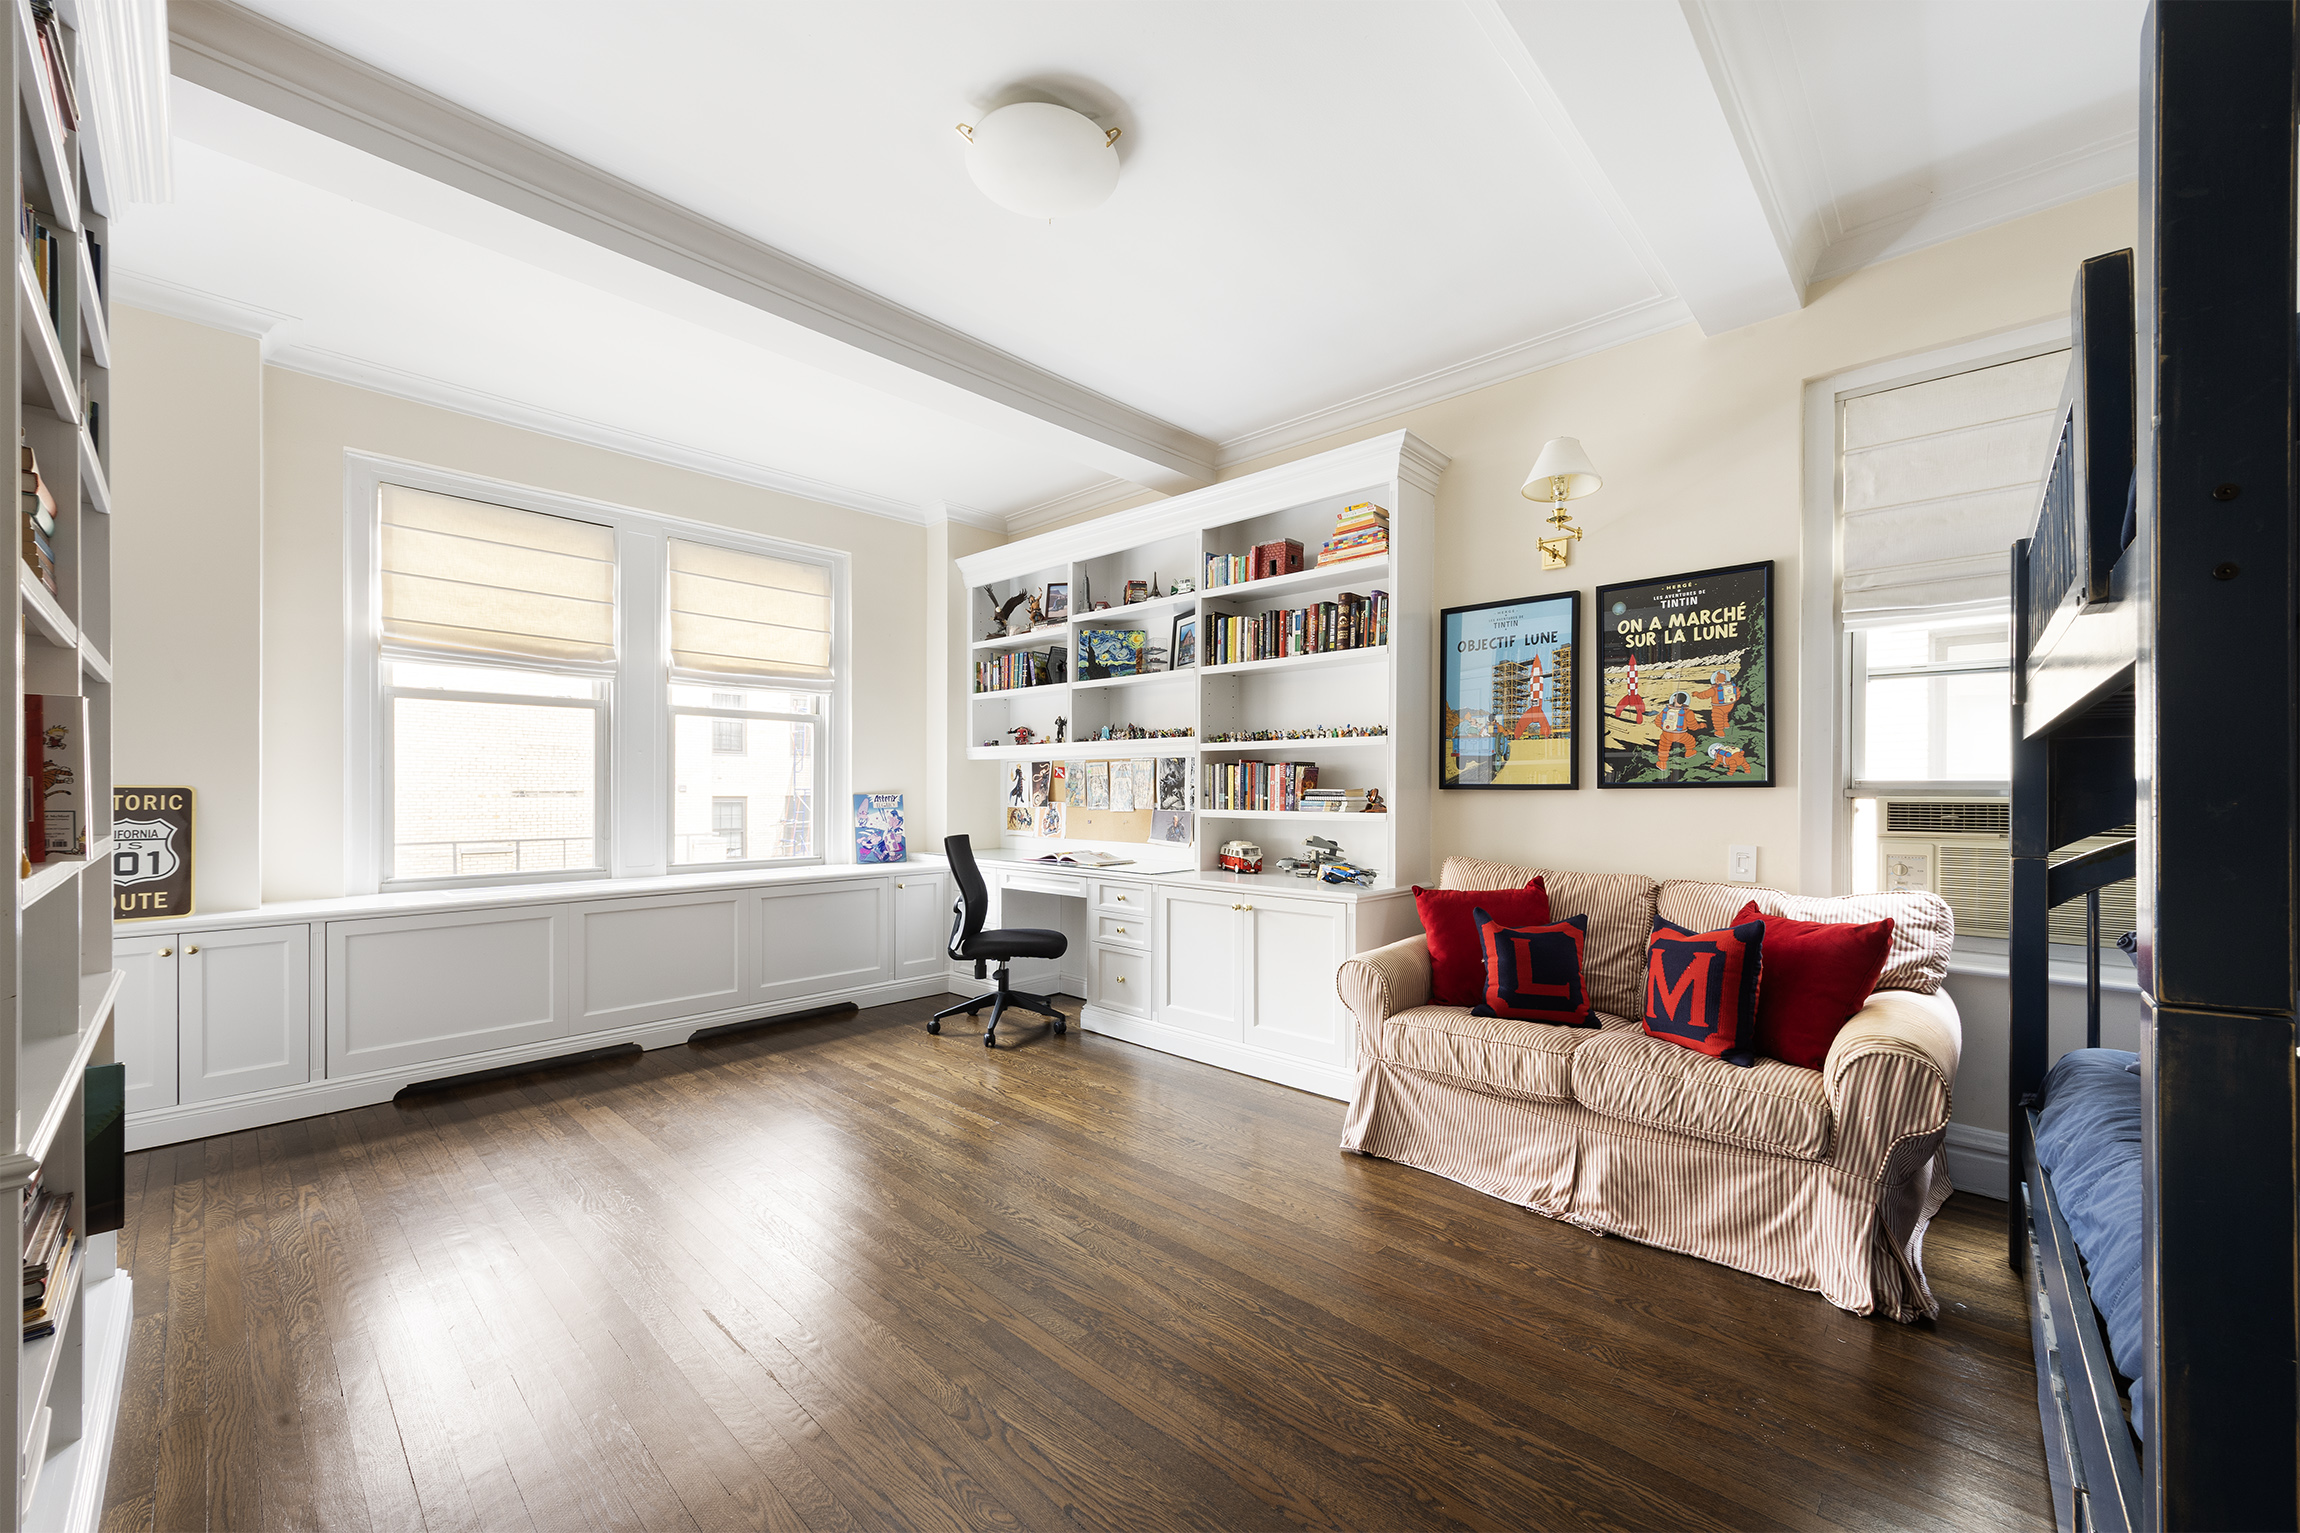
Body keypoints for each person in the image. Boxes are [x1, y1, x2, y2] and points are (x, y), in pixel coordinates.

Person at [1654, 692, 1699, 772]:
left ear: (1674, 699)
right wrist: (1700, 726)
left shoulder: (1666, 710)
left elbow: (1657, 721)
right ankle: (1689, 752)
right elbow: (1693, 726)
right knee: (1690, 740)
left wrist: (1664, 728)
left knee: (1663, 748)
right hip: (1681, 734)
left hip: (1666, 734)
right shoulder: (1687, 712)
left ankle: (1662, 763)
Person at [1694, 667, 1740, 736]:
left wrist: (1697, 694)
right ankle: (1726, 724)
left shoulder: (1714, 689)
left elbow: (1704, 695)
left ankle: (1720, 731)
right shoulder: (1731, 687)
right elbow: (1737, 693)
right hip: (1729, 705)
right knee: (1725, 715)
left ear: (1717, 681)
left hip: (1718, 707)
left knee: (1717, 718)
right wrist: (1734, 701)